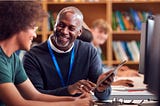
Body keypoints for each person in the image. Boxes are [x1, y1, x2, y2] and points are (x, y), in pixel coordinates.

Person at [0, 1, 92, 106]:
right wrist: (74, 104)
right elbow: (18, 103)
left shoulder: (13, 59)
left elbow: (35, 96)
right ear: (18, 26)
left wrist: (74, 100)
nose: (34, 35)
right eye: (32, 28)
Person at [23, 6, 114, 100]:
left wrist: (101, 89)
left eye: (71, 28)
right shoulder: (33, 56)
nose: (64, 31)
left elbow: (104, 96)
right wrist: (69, 90)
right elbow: (34, 96)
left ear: (79, 32)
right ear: (54, 24)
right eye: (61, 25)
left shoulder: (89, 51)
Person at [90, 19, 140, 87]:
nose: (102, 35)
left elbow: (101, 66)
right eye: (100, 31)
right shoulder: (88, 48)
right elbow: (96, 71)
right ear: (91, 30)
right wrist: (119, 73)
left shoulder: (97, 48)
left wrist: (116, 68)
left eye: (105, 33)